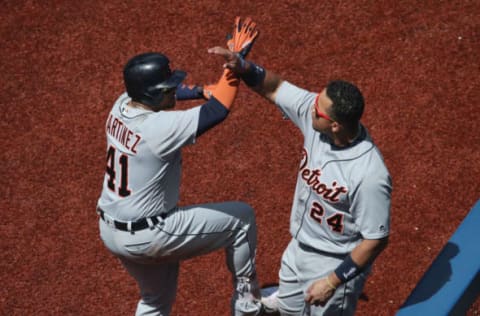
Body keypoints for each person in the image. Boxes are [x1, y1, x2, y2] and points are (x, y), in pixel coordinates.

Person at [96, 18, 265, 316]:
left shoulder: (122, 103)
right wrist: (235, 63)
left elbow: (182, 95)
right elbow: (218, 111)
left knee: (154, 302)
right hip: (150, 234)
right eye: (167, 87)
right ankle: (248, 307)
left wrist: (200, 89)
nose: (173, 90)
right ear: (151, 94)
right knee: (242, 220)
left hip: (111, 230)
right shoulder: (158, 128)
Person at [208, 46, 392, 315]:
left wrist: (332, 282)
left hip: (333, 263)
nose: (310, 106)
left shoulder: (369, 174)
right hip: (297, 249)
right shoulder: (316, 114)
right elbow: (275, 88)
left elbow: (376, 240)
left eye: (318, 108)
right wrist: (244, 67)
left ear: (335, 125)